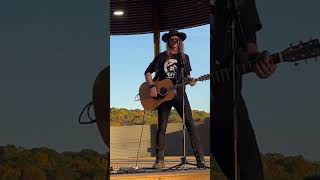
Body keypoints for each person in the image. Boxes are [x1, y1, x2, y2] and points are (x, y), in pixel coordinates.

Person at [211, 0, 277, 179]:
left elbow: (250, 49)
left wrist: (260, 61)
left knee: (250, 173)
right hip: (194, 96)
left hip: (226, 97)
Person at [144, 29, 207, 169]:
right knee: (162, 127)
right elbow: (147, 72)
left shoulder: (185, 58)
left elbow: (187, 76)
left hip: (179, 94)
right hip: (163, 96)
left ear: (180, 41)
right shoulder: (161, 57)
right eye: (172, 38)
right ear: (168, 41)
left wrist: (190, 81)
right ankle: (159, 160)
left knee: (190, 124)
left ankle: (200, 159)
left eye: (176, 38)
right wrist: (151, 87)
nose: (174, 40)